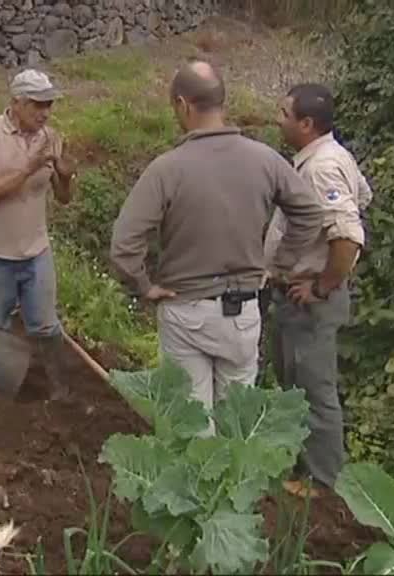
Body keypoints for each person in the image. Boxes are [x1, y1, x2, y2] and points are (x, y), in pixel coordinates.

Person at [109, 59, 324, 431]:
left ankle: (197, 485)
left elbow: (124, 244)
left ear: (183, 105)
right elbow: (309, 213)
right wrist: (278, 266)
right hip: (243, 313)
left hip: (185, 308)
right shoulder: (264, 160)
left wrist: (144, 286)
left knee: (193, 427)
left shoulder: (167, 169)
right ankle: (239, 486)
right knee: (238, 427)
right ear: (222, 102)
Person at [263, 83, 373, 497]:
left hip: (308, 299)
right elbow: (362, 196)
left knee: (314, 386)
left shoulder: (322, 167)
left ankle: (323, 482)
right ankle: (303, 468)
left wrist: (323, 285)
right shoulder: (330, 156)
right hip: (298, 295)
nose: (279, 119)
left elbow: (347, 234)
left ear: (306, 124)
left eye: (284, 113)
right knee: (297, 382)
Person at [0, 69, 78, 400]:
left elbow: (64, 198)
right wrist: (29, 167)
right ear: (16, 102)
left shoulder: (52, 138)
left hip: (36, 251)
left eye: (49, 105)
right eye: (36, 105)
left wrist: (66, 178)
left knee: (45, 325)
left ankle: (60, 387)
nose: (44, 113)